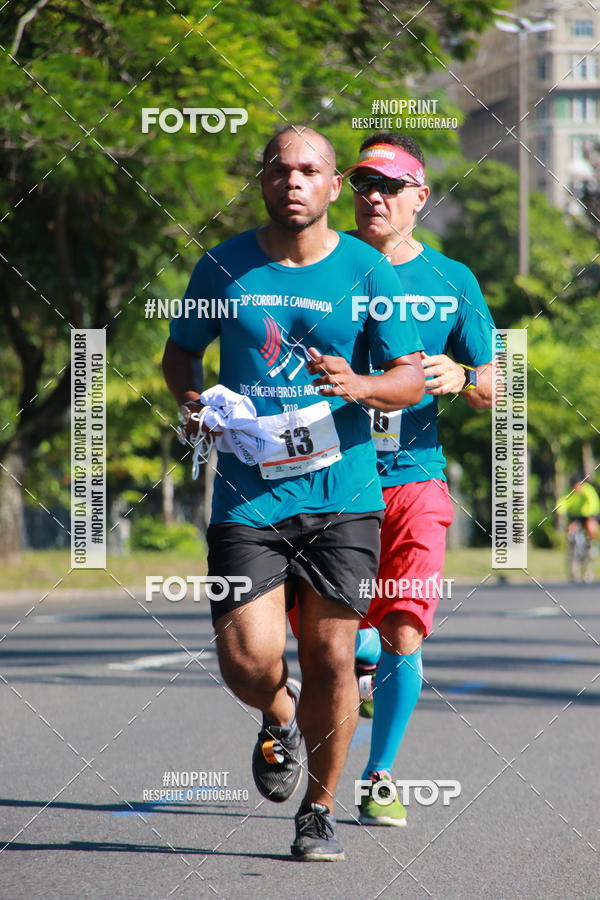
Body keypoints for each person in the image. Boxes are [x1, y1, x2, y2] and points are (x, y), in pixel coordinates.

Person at [162, 125, 425, 861]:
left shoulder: (370, 272)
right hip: (248, 494)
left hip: (343, 493)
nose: (294, 181)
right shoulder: (224, 266)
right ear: (263, 181)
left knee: (333, 657)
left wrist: (362, 384)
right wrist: (191, 402)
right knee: (249, 657)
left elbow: (409, 373)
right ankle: (278, 714)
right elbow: (180, 350)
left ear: (334, 185)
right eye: (280, 170)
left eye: (310, 170)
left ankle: (319, 810)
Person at [343, 133, 496, 826]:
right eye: (362, 184)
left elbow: (497, 384)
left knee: (405, 627)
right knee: (329, 631)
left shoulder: (454, 280)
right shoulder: (323, 267)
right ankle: (362, 650)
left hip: (415, 479)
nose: (372, 196)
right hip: (331, 479)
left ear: (420, 198)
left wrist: (465, 376)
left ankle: (379, 776)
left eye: (389, 185)